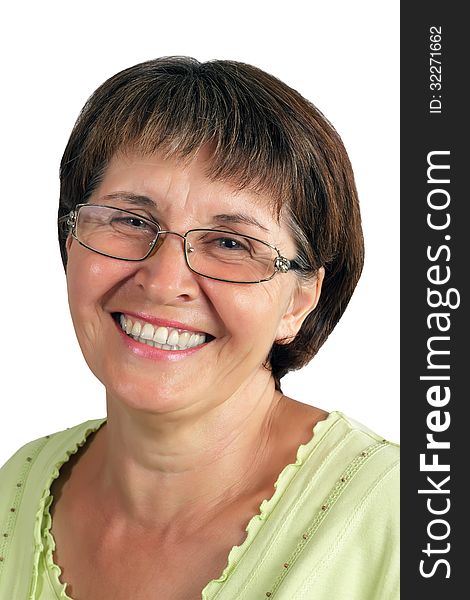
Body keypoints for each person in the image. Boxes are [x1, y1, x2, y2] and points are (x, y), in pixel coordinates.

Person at [0, 57, 399, 599]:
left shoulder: (404, 520)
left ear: (299, 301)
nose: (165, 282)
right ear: (71, 241)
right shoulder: (16, 490)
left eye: (231, 243)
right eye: (131, 221)